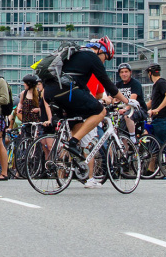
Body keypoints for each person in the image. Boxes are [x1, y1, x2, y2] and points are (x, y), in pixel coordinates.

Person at [47, 38, 130, 189]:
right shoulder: (92, 57)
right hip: (67, 91)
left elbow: (83, 87)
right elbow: (108, 85)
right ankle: (73, 142)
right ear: (101, 51)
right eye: (106, 57)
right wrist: (127, 101)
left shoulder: (75, 55)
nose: (105, 61)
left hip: (50, 92)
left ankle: (73, 155)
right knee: (100, 111)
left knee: (78, 124)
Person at [115, 64, 144, 137]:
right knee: (120, 134)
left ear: (130, 72)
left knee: (127, 115)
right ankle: (124, 147)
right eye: (122, 72)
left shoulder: (135, 83)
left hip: (137, 109)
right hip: (122, 110)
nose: (124, 74)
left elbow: (132, 99)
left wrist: (125, 109)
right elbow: (113, 99)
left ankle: (132, 136)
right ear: (119, 74)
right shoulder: (118, 85)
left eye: (126, 72)